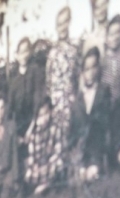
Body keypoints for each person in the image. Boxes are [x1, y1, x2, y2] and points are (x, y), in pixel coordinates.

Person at [70, 47, 113, 182]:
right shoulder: (78, 99)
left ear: (98, 68)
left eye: (94, 67)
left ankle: (94, 167)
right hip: (82, 148)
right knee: (81, 176)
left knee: (91, 175)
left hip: (97, 144)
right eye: (87, 69)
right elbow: (73, 130)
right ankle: (82, 167)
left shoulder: (103, 91)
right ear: (82, 73)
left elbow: (105, 121)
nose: (91, 73)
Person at [45, 7, 79, 145]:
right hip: (55, 106)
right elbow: (48, 83)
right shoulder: (52, 53)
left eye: (65, 22)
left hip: (70, 104)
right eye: (59, 24)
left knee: (71, 142)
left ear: (69, 23)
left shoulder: (74, 50)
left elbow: (78, 78)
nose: (62, 27)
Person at [24, 96, 66, 194]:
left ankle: (47, 184)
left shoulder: (55, 128)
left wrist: (50, 161)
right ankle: (42, 184)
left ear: (51, 112)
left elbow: (58, 150)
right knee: (29, 172)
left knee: (59, 164)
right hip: (39, 164)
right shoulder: (35, 132)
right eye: (41, 115)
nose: (44, 118)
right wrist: (34, 164)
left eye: (46, 113)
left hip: (50, 161)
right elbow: (32, 154)